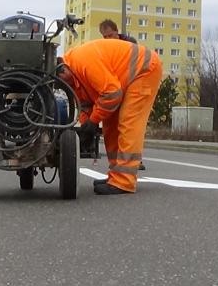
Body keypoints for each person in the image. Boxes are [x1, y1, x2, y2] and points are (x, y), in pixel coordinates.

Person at [58, 39, 162, 195]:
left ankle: (124, 181)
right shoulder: (72, 77)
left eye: (62, 82)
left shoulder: (84, 62)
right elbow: (86, 105)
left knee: (129, 123)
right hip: (123, 80)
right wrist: (86, 127)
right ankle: (116, 175)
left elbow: (112, 94)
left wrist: (93, 122)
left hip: (144, 69)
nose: (65, 87)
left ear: (63, 69)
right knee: (109, 124)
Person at [97, 18, 147, 171]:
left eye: (110, 35)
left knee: (130, 125)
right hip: (115, 89)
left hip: (131, 87)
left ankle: (134, 160)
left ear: (117, 33)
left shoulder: (129, 44)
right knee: (113, 126)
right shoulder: (104, 48)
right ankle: (116, 162)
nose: (108, 40)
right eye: (104, 37)